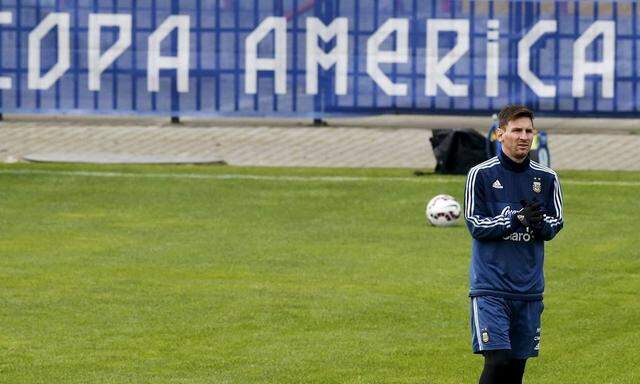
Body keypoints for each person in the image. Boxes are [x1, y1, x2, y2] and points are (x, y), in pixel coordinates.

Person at [464, 104, 564, 384]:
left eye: (528, 131)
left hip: (529, 290)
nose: (523, 136)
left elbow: (556, 223)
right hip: (490, 288)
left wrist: (539, 224)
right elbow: (475, 224)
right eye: (516, 130)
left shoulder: (546, 179)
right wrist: (514, 220)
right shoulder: (480, 175)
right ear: (500, 134)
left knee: (515, 370)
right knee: (498, 361)